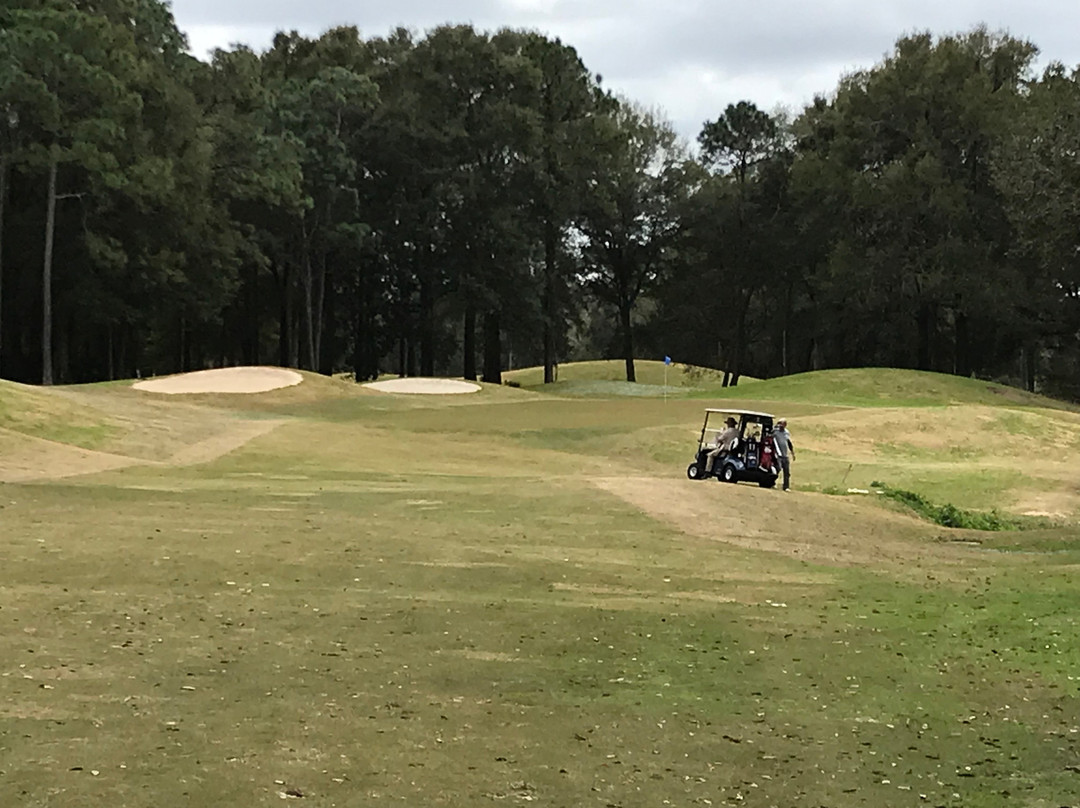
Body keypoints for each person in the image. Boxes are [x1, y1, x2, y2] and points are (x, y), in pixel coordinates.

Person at [772, 418, 796, 491]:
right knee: (777, 468)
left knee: (787, 472)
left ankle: (786, 487)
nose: (780, 425)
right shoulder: (775, 432)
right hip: (778, 454)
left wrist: (792, 453)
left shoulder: (786, 432)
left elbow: (789, 443)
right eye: (779, 423)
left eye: (782, 423)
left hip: (785, 455)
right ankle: (773, 482)